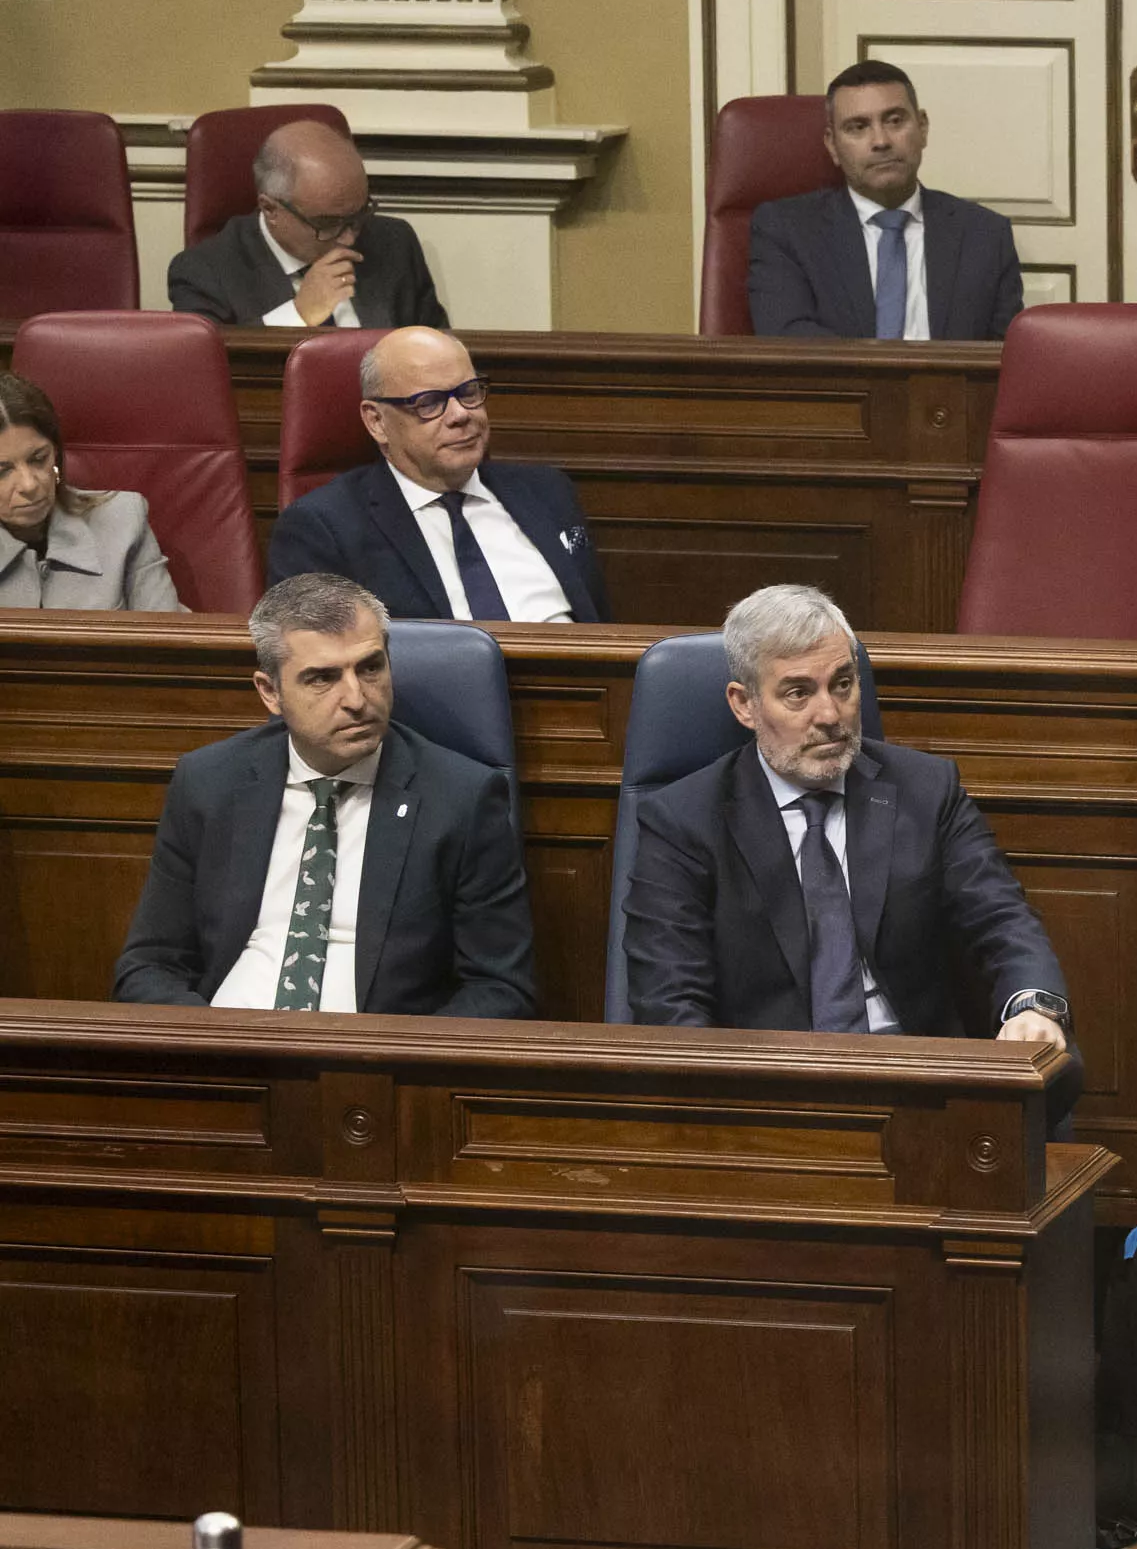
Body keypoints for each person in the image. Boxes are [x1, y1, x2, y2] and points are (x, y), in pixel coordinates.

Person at [621, 584, 1078, 1119]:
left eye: (842, 684)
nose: (830, 714)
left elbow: (1001, 918)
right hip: (768, 1098)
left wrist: (1033, 1005)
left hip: (922, 1087)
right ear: (744, 705)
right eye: (798, 693)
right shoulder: (683, 820)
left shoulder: (926, 790)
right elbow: (670, 1001)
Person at [112, 572, 537, 1017]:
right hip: (228, 1037)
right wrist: (211, 1040)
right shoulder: (209, 782)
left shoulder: (461, 798)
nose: (356, 698)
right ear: (270, 692)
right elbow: (149, 965)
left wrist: (390, 1052)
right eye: (322, 678)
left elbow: (501, 989)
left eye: (370, 668)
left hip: (370, 1048)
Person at [265, 327, 611, 623]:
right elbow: (313, 659)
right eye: (429, 402)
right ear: (376, 421)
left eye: (468, 392)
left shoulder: (548, 492)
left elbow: (600, 623)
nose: (460, 414)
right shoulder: (324, 528)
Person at [745, 60, 1025, 342]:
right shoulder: (786, 230)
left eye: (895, 121)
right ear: (832, 145)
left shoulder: (986, 235)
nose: (880, 141)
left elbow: (1007, 355)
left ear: (922, 127)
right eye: (858, 127)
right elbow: (788, 339)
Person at [166, 121, 450, 330]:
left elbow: (440, 349)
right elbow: (206, 370)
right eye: (328, 223)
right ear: (270, 209)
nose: (350, 238)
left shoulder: (394, 243)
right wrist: (298, 314)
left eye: (360, 214)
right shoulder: (204, 272)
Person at [0, 372, 185, 611]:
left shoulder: (124, 519)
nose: (29, 485)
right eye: (2, 471)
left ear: (56, 453)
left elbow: (165, 628)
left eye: (38, 459)